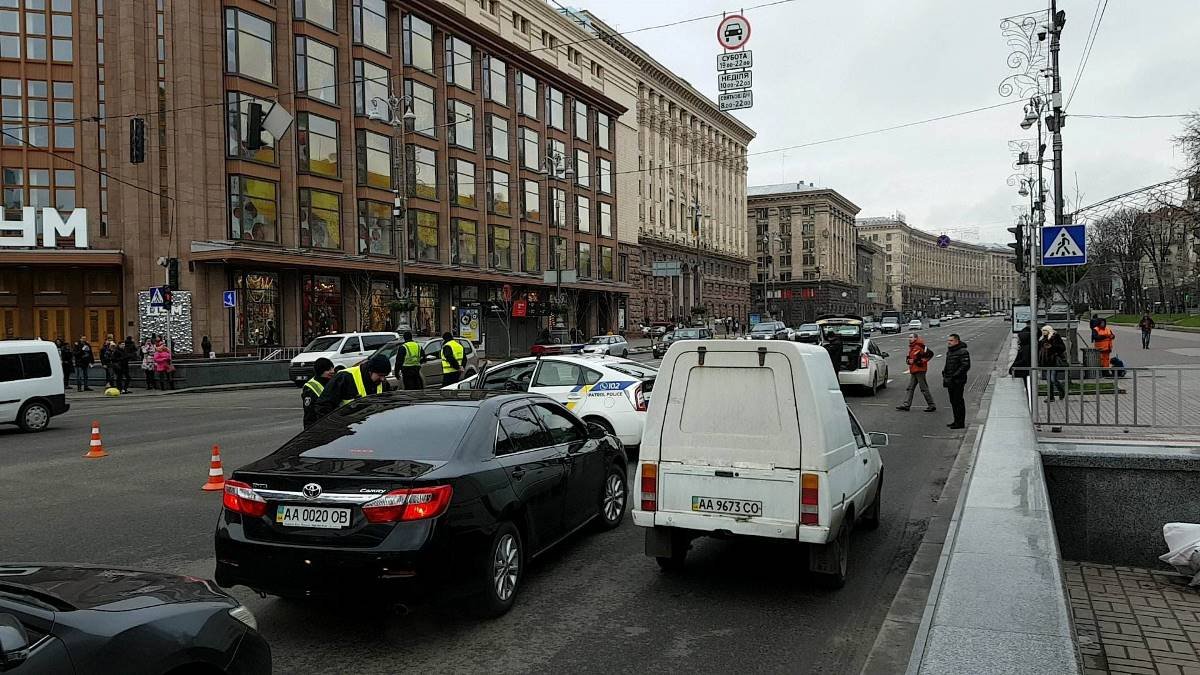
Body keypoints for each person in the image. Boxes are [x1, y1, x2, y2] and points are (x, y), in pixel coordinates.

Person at [315, 353, 391, 414]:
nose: (383, 379)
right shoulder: (344, 377)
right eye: (380, 375)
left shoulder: (382, 382)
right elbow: (323, 407)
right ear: (370, 371)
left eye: (385, 376)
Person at [896, 333, 936, 412]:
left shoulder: (920, 346)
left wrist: (920, 361)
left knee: (923, 388)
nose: (909, 339)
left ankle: (931, 405)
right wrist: (908, 361)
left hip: (920, 370)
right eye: (909, 337)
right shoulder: (912, 347)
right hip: (914, 369)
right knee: (910, 388)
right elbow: (910, 358)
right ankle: (906, 404)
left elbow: (930, 354)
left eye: (911, 337)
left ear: (916, 338)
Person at [943, 333, 971, 430]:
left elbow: (965, 365)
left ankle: (960, 423)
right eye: (948, 340)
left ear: (957, 341)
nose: (949, 342)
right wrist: (945, 373)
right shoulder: (950, 351)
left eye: (951, 341)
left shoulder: (962, 351)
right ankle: (956, 421)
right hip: (950, 380)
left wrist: (955, 376)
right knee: (953, 401)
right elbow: (948, 365)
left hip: (958, 381)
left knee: (958, 401)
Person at [301, 357, 335, 429]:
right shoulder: (310, 387)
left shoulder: (334, 381)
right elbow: (310, 414)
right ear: (321, 371)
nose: (332, 371)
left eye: (332, 368)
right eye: (328, 370)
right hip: (319, 427)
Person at [1038, 325, 1068, 401]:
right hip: (1046, 361)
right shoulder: (1042, 339)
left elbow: (1062, 348)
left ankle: (1061, 391)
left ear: (1049, 330)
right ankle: (1051, 397)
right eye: (1043, 330)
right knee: (1048, 380)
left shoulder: (1055, 337)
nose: (1044, 332)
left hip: (1054, 361)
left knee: (1053, 379)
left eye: (1045, 330)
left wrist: (1052, 346)